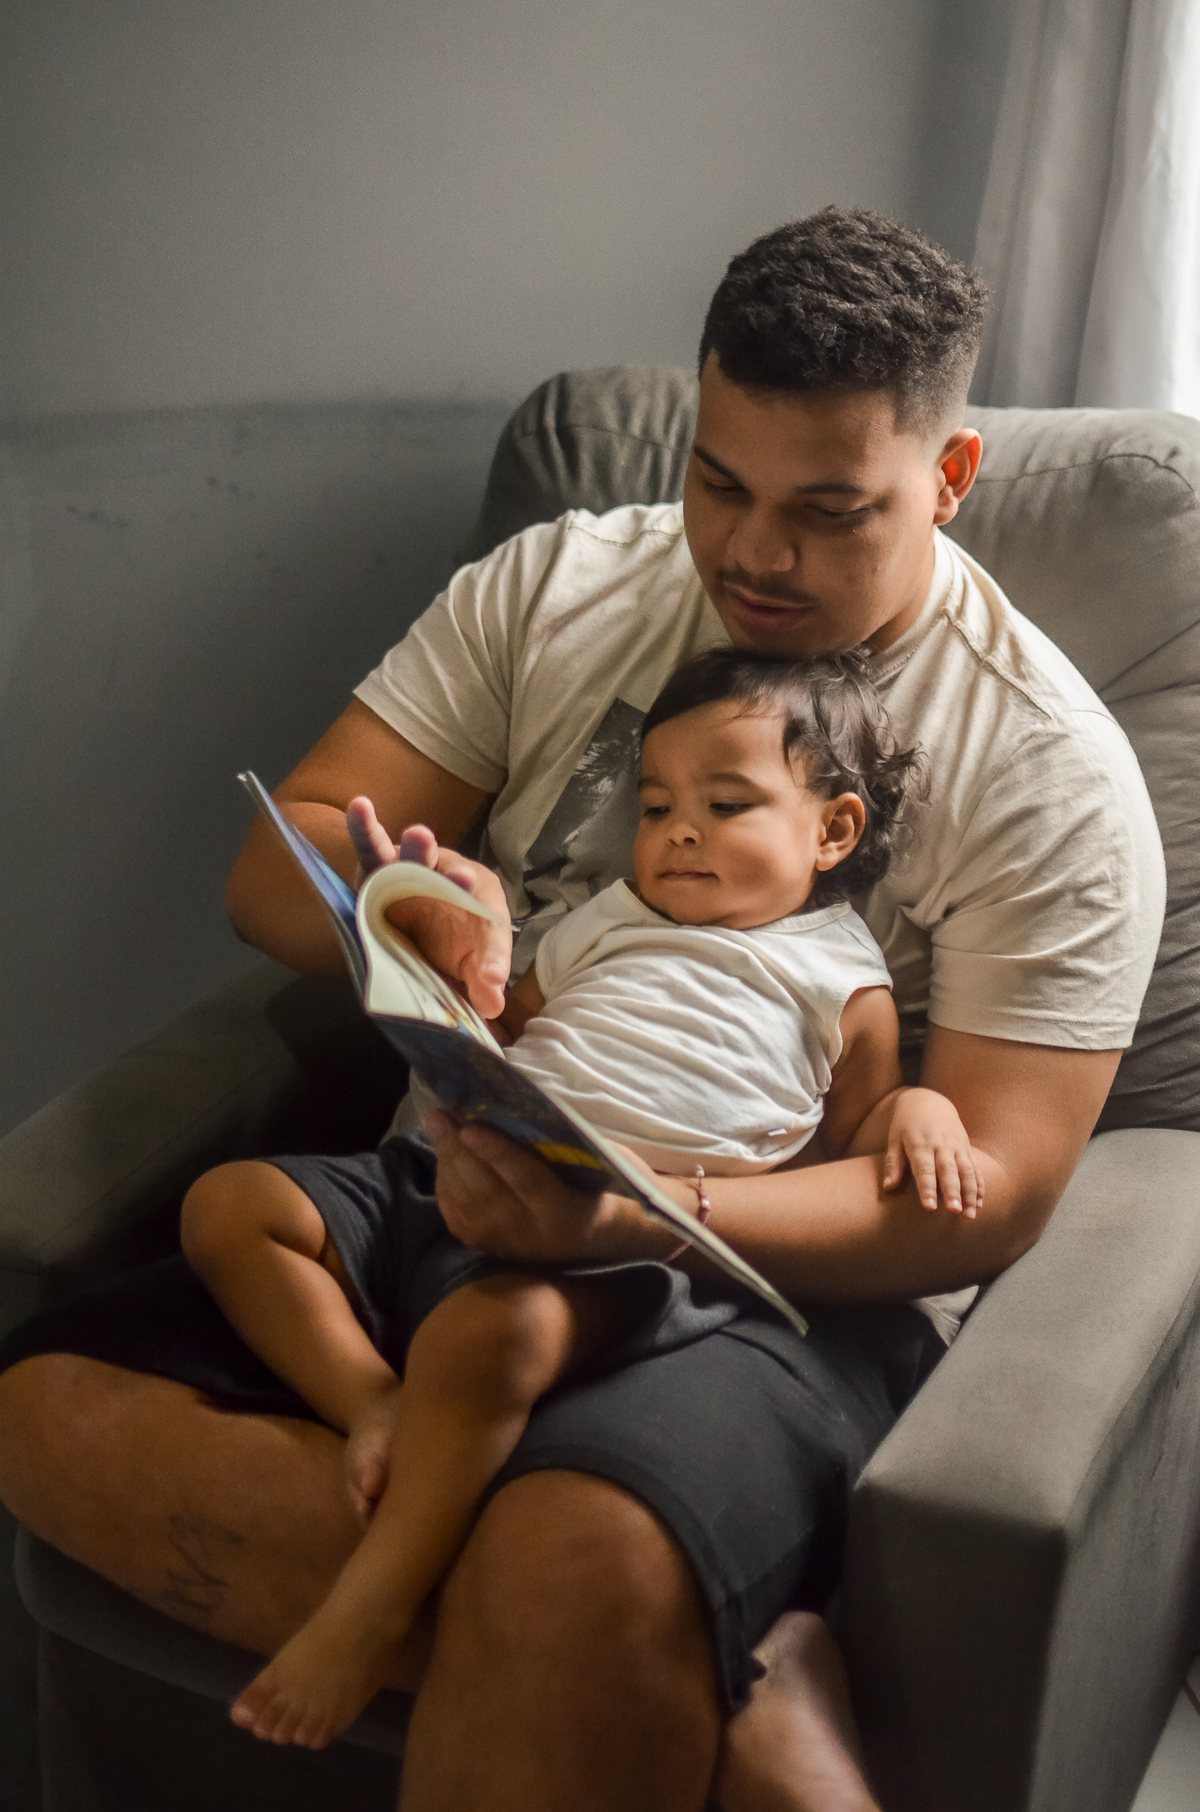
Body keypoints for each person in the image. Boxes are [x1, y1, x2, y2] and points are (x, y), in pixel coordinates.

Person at [0, 206, 1165, 1812]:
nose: (753, 554)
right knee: (46, 1407)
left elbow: (999, 1195)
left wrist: (644, 1212)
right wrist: (424, 915)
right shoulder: (558, 584)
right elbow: (278, 883)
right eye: (718, 481)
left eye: (831, 512)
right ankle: (721, 1683)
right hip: (446, 1193)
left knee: (581, 1562)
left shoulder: (1049, 773)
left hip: (757, 1277)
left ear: (948, 482)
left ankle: (605, 1621)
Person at [182, 648, 981, 1752]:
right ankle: (374, 1403)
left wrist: (925, 1118)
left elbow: (857, 1134)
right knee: (231, 1207)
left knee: (486, 1336)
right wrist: (442, 972)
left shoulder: (841, 980)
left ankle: (372, 1603)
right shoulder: (612, 913)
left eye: (727, 803)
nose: (680, 831)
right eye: (657, 806)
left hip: (629, 1240)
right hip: (465, 1161)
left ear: (833, 831)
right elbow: (506, 1027)